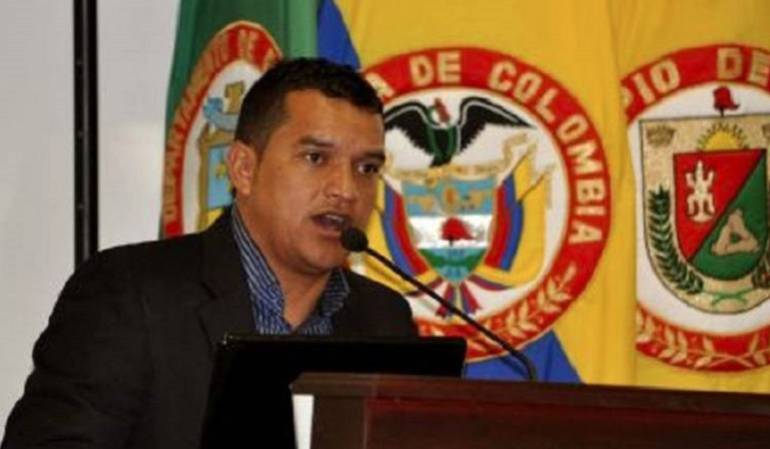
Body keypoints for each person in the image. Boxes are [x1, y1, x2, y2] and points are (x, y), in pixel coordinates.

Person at [2, 58, 416, 449]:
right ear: (243, 169)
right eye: (315, 158)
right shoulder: (132, 295)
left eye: (367, 168)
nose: (346, 190)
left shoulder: (384, 319)